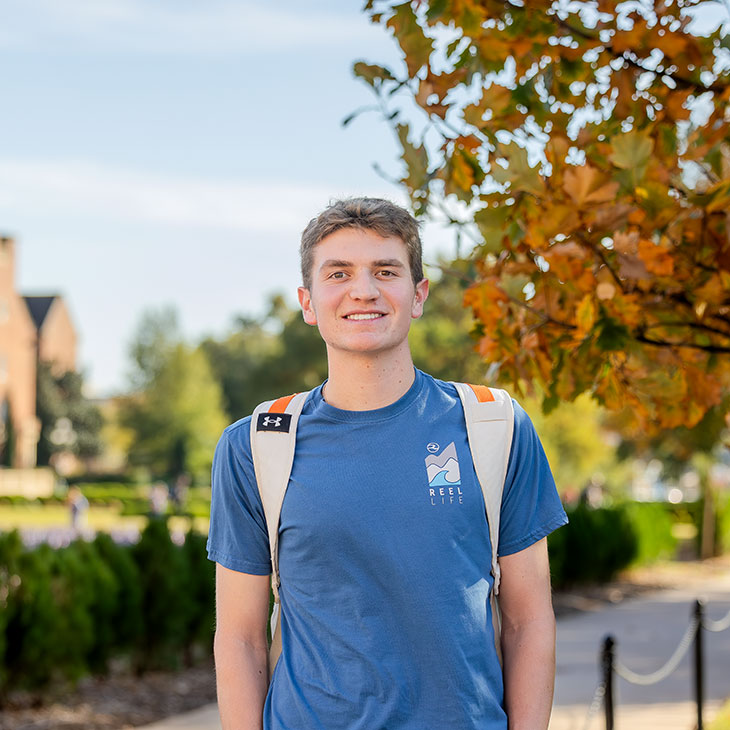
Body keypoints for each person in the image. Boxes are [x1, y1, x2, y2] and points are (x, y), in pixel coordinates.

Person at [206, 198, 568, 730]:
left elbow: (528, 620)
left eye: (385, 271)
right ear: (308, 302)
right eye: (339, 273)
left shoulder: (495, 427)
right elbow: (239, 638)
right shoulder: (255, 446)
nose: (363, 290)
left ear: (417, 295)